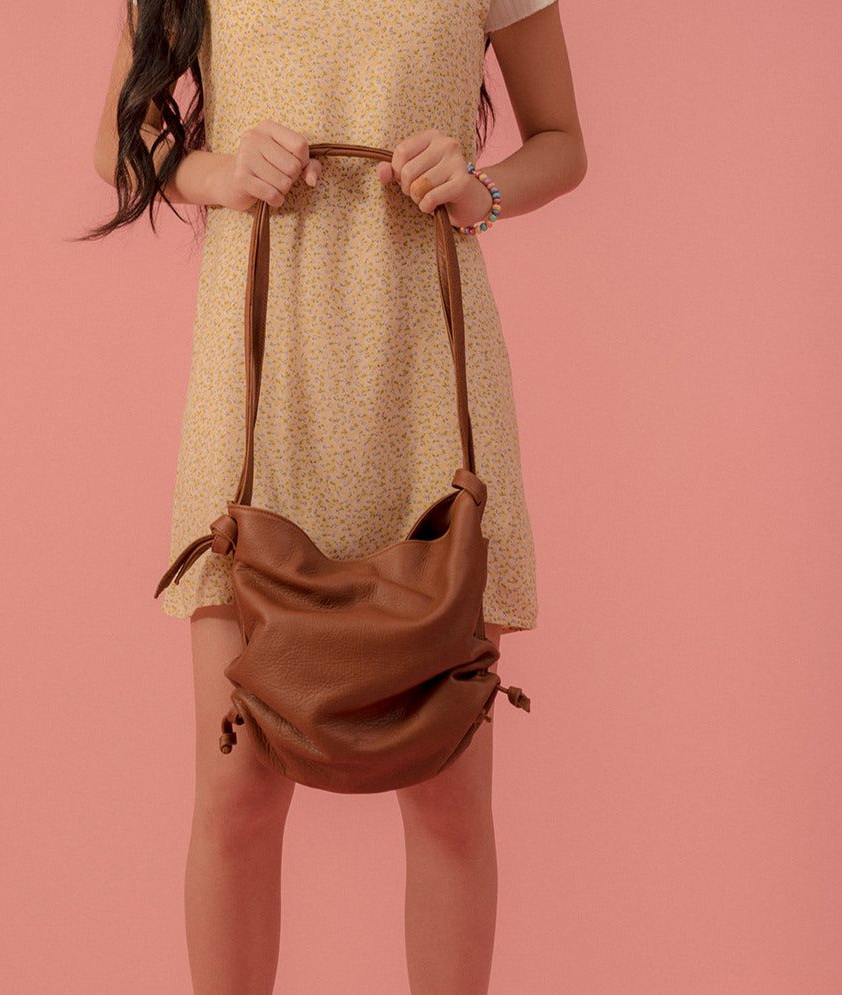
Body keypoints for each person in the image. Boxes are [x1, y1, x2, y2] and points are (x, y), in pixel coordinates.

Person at [89, 0, 585, 989]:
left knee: (446, 787)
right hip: (263, 387)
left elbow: (561, 142)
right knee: (236, 786)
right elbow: (119, 140)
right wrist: (216, 169)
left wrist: (479, 189)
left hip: (426, 379)